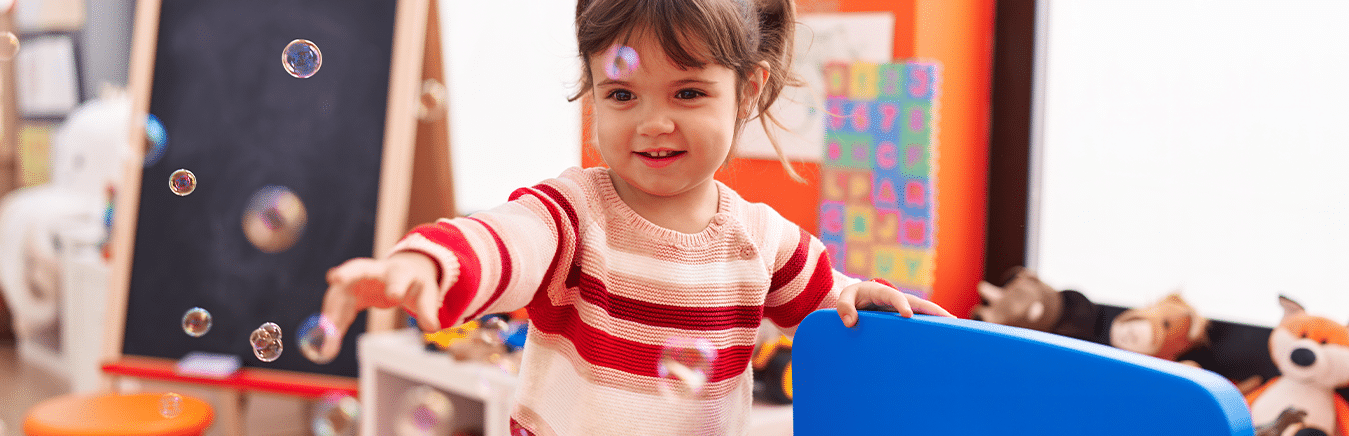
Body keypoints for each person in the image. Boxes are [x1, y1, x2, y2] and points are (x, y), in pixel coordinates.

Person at [318, 0, 953, 434]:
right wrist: (431, 260)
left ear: (749, 90)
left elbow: (829, 300)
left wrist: (861, 298)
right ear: (591, 90)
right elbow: (507, 239)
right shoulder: (573, 214)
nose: (653, 122)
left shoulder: (761, 240)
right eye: (622, 94)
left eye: (689, 92)